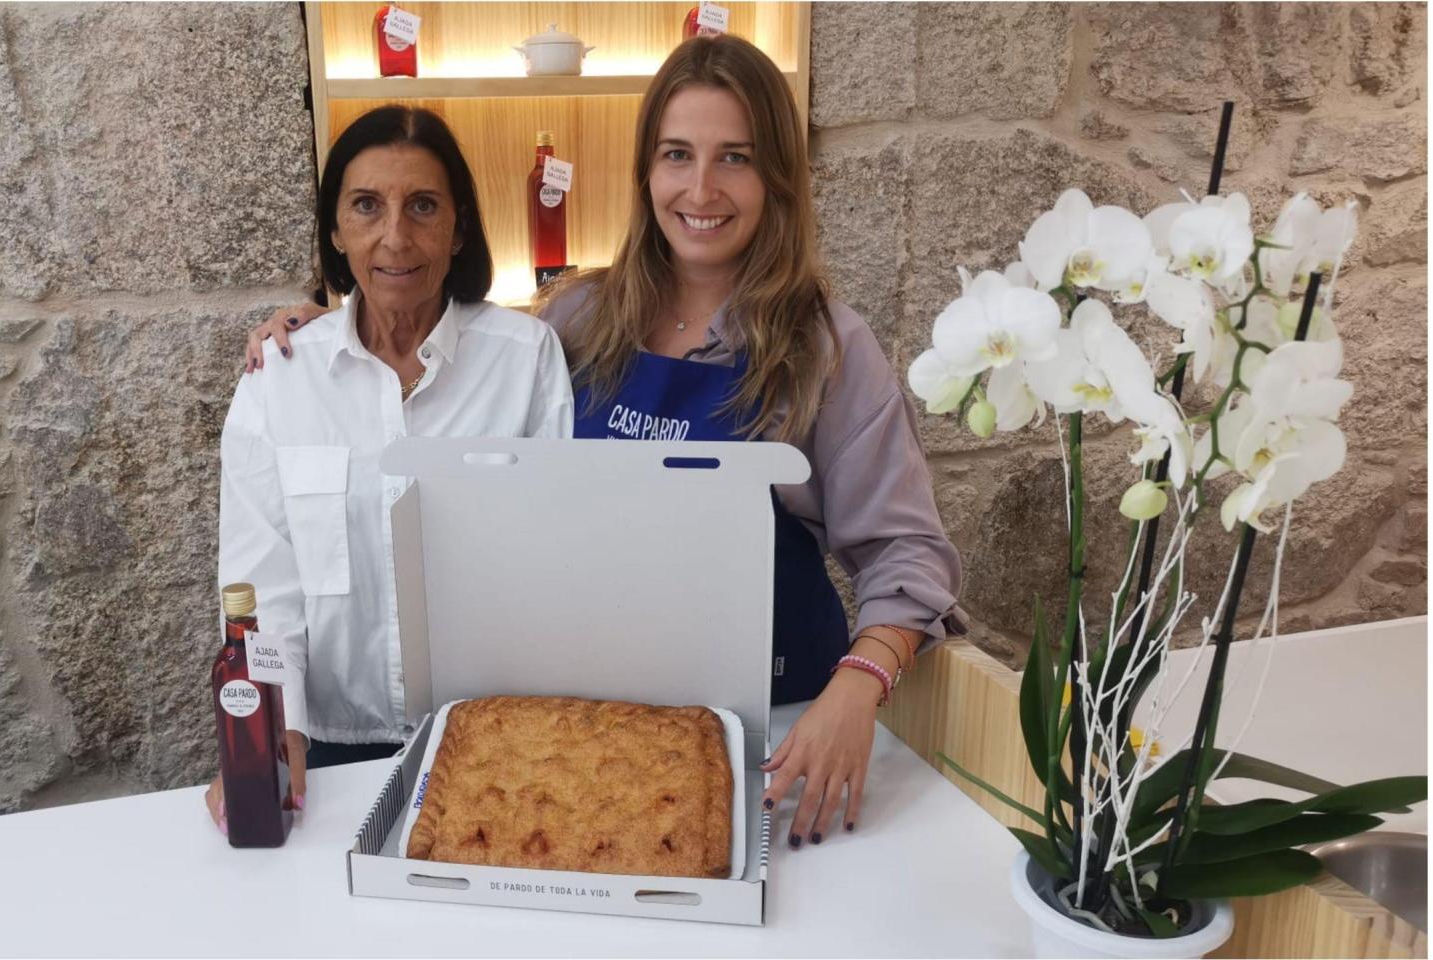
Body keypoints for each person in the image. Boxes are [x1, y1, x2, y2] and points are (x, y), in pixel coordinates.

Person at [240, 36, 962, 849]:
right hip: (620, 730)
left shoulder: (828, 346)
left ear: (778, 179)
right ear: (645, 173)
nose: (700, 188)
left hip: (784, 722)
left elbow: (909, 554)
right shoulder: (580, 321)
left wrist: (854, 692)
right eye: (676, 155)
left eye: (736, 158)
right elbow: (451, 347)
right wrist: (323, 325)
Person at [207, 105, 574, 833]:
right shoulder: (278, 379)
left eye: (424, 206)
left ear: (459, 228)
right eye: (366, 206)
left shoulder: (526, 360)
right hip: (334, 750)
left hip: (496, 741)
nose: (396, 237)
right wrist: (273, 735)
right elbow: (264, 587)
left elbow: (554, 564)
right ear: (336, 230)